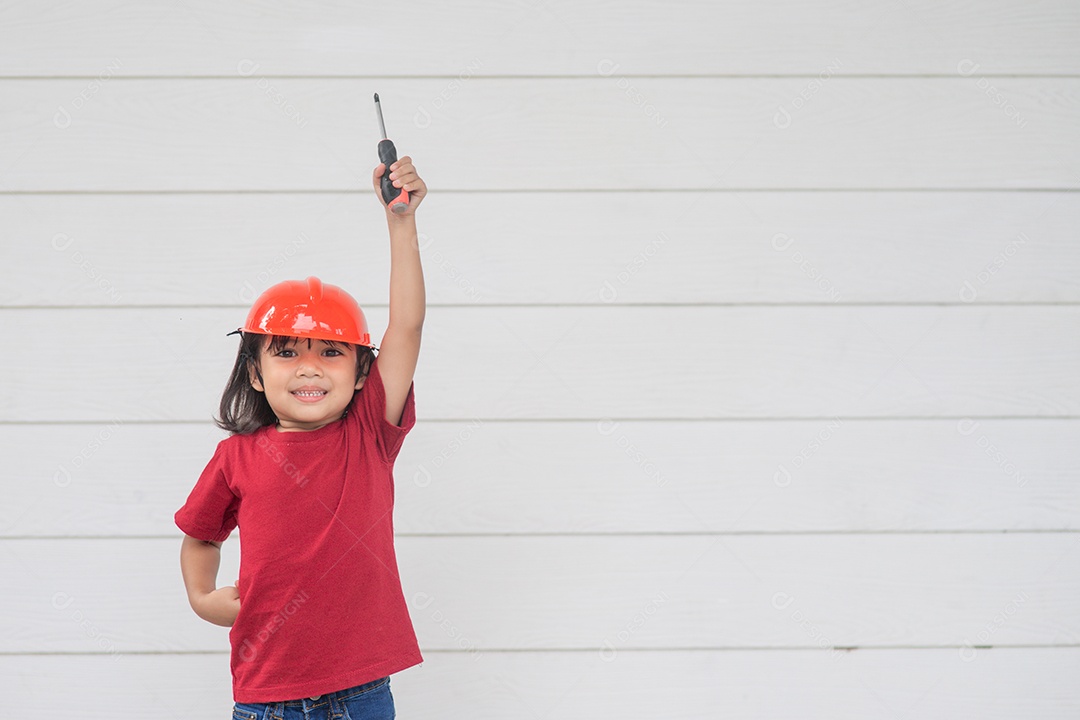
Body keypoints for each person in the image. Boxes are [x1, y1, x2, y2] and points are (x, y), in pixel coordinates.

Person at [174, 156, 427, 719]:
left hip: (363, 694)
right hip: (267, 699)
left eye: (331, 352)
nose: (309, 368)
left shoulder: (368, 433)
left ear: (363, 374)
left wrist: (401, 224)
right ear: (256, 374)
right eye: (286, 353)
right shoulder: (235, 458)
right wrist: (201, 597)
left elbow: (406, 327)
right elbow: (200, 535)